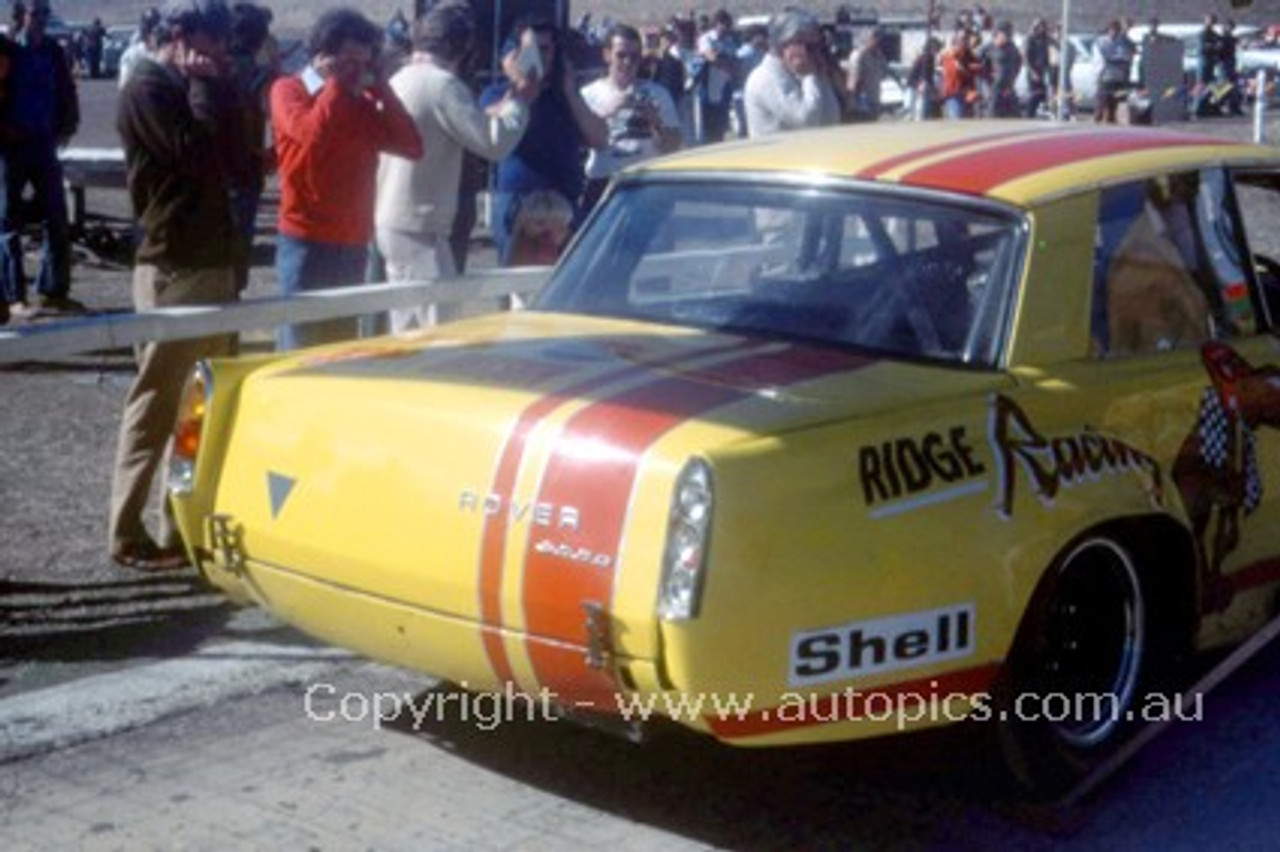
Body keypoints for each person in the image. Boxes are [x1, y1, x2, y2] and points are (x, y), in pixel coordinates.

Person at [110, 0, 240, 572]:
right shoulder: (148, 89)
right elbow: (196, 155)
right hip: (174, 261)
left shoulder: (190, 86)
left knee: (197, 405)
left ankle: (176, 523)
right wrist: (207, 91)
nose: (218, 56)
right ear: (182, 36)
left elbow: (237, 159)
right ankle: (126, 525)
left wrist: (214, 91)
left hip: (208, 259)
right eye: (211, 43)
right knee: (159, 400)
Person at [270, 6, 423, 350]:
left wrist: (382, 88)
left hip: (351, 242)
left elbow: (411, 145)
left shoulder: (359, 104)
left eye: (363, 64)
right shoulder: (287, 90)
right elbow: (311, 135)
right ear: (323, 56)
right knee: (299, 345)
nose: (357, 73)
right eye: (349, 62)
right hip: (306, 241)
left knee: (338, 346)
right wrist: (336, 84)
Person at [374, 3, 533, 332]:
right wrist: (519, 103)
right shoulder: (443, 85)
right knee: (432, 330)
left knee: (408, 323)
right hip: (421, 225)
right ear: (462, 47)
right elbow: (493, 143)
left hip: (394, 217)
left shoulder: (401, 78)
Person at [479, 15, 606, 266]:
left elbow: (599, 138)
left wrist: (569, 91)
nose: (540, 56)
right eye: (532, 49)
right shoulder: (497, 94)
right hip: (518, 202)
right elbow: (484, 127)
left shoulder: (568, 97)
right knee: (513, 283)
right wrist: (519, 92)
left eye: (546, 49)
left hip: (563, 203)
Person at [1, 0, 80, 317]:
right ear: (21, 16)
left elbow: (66, 91)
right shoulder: (6, 52)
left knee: (57, 217)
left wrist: (67, 125)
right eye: (37, 14)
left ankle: (52, 290)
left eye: (47, 14)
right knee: (8, 222)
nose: (43, 20)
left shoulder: (53, 52)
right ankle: (12, 295)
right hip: (11, 148)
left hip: (44, 144)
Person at [579, 23, 681, 215]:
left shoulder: (658, 94)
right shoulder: (588, 95)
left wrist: (655, 121)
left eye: (634, 57)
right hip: (603, 181)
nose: (627, 62)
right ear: (607, 55)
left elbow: (673, 146)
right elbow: (579, 146)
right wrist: (608, 111)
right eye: (621, 55)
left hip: (646, 182)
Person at [742, 9, 840, 138]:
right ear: (786, 42)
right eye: (808, 46)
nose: (814, 53)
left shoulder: (795, 73)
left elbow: (831, 118)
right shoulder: (767, 78)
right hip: (777, 156)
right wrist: (809, 75)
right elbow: (806, 120)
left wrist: (820, 76)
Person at [694, 8, 735, 143]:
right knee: (707, 126)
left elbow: (733, 61)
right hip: (708, 85)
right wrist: (722, 60)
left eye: (728, 25)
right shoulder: (707, 39)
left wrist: (722, 61)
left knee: (721, 127)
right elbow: (711, 57)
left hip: (724, 86)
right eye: (723, 24)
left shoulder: (729, 41)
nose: (726, 28)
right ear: (716, 23)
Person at [1094, 19, 1135, 124]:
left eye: (1116, 30)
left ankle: (1109, 127)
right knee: (1100, 104)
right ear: (1108, 30)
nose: (1114, 32)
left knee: (1113, 106)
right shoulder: (1102, 41)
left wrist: (1118, 59)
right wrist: (1116, 59)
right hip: (1104, 77)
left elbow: (1126, 56)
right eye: (1112, 30)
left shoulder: (1123, 42)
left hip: (1118, 77)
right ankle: (1096, 125)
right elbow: (1104, 57)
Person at [846, 25, 888, 122]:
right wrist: (853, 101)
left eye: (880, 37)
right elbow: (853, 79)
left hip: (875, 99)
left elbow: (883, 74)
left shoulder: (880, 56)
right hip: (860, 102)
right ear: (868, 38)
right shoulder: (859, 55)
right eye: (875, 37)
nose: (879, 41)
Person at [939, 28, 981, 119]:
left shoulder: (970, 55)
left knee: (969, 122)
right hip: (954, 92)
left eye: (967, 39)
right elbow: (954, 72)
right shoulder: (950, 54)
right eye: (963, 39)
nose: (967, 42)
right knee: (957, 121)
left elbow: (977, 70)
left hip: (968, 94)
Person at [118, 6, 162, 90]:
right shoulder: (132, 55)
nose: (153, 34)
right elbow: (124, 85)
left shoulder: (167, 53)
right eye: (149, 30)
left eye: (156, 30)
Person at [985, 21, 1022, 118]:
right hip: (996, 85)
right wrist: (988, 74)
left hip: (1009, 84)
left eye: (1009, 33)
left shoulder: (1012, 47)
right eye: (1006, 33)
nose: (1008, 36)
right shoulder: (990, 46)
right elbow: (977, 59)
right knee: (993, 111)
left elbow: (1018, 61)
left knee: (1015, 113)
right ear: (998, 33)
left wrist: (1014, 75)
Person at [1023, 18, 1050, 118]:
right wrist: (1032, 72)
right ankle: (1029, 115)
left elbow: (1047, 55)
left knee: (1043, 94)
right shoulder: (1030, 39)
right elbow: (1026, 57)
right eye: (1040, 27)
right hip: (1033, 71)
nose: (1042, 29)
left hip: (1042, 71)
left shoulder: (1044, 39)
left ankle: (1039, 113)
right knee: (1033, 94)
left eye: (1043, 26)